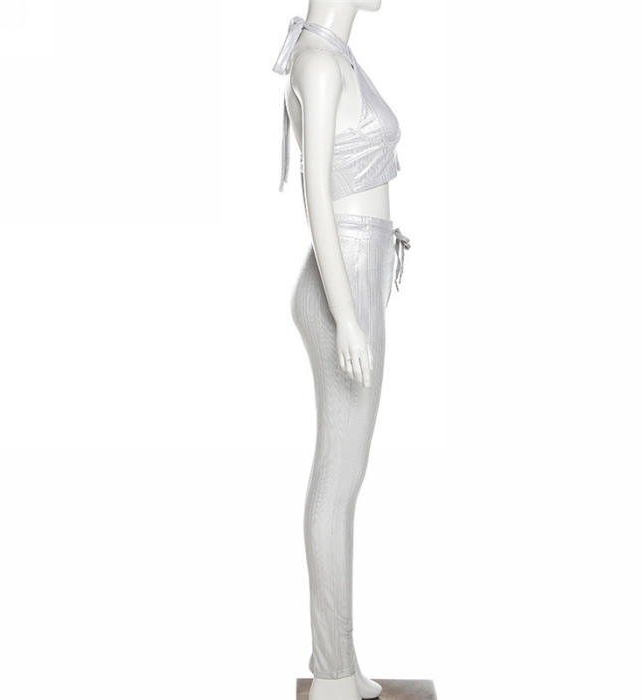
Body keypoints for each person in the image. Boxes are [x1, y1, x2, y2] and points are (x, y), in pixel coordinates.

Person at [273, 3, 410, 699]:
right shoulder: (320, 61)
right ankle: (330, 670)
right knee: (338, 479)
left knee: (344, 479)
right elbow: (316, 191)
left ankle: (343, 662)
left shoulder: (335, 56)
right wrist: (348, 316)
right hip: (343, 281)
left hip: (360, 269)